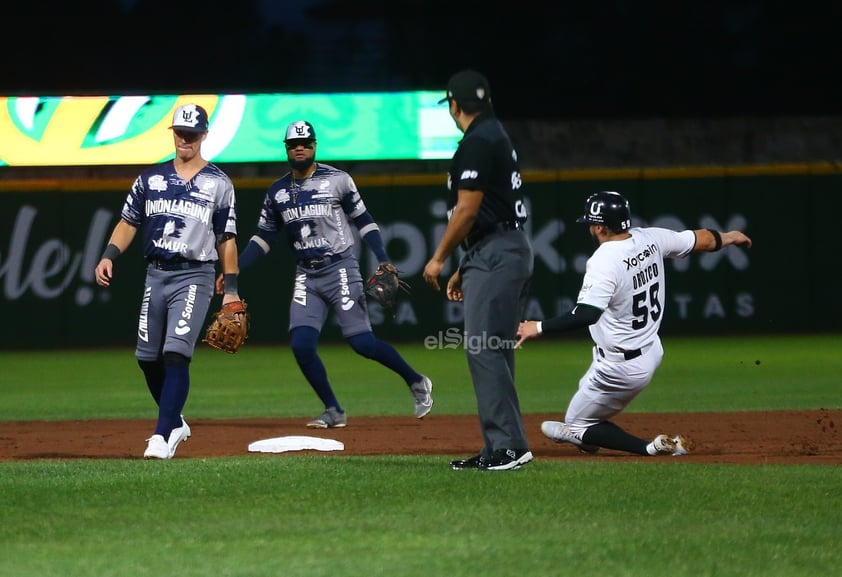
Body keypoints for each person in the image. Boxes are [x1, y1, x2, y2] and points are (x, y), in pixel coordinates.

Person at [516, 190, 753, 456]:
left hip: (619, 368)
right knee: (582, 402)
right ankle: (587, 442)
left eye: (591, 224)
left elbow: (585, 314)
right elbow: (703, 239)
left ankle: (648, 448)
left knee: (577, 423)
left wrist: (536, 327)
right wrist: (730, 237)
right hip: (650, 348)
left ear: (599, 226)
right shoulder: (650, 238)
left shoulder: (604, 260)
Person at [234, 120, 433, 428]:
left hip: (340, 266)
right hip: (306, 274)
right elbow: (263, 239)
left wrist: (382, 258)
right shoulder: (277, 191)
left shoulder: (337, 180)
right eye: (293, 144)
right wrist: (234, 269)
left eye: (306, 142)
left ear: (315, 145)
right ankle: (333, 410)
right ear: (286, 149)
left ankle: (417, 380)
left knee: (363, 344)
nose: (299, 147)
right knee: (301, 345)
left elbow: (364, 221)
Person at [94, 103, 242, 459]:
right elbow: (129, 222)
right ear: (173, 133)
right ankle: (174, 420)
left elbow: (227, 237)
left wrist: (232, 291)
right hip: (155, 274)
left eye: (192, 134)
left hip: (195, 274)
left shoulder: (218, 183)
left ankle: (162, 435)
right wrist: (108, 255)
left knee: (176, 352)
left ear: (204, 135)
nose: (185, 140)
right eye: (180, 133)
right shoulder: (150, 179)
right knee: (147, 358)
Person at [423, 70, 534, 471]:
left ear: (454, 104)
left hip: (496, 251)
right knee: (494, 350)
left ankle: (508, 447)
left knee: (484, 348)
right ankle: (500, 446)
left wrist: (440, 257)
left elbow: (468, 210)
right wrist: (465, 262)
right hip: (496, 249)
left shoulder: (479, 140)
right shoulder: (492, 134)